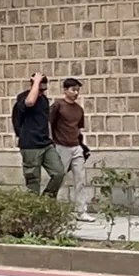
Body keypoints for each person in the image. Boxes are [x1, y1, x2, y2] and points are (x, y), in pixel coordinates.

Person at [11, 72, 65, 197]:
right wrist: (36, 81)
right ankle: (33, 206)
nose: (42, 92)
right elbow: (30, 102)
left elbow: (46, 121)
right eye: (40, 89)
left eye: (44, 90)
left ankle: (46, 200)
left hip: (45, 144)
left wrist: (51, 140)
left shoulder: (44, 99)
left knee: (59, 173)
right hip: (30, 145)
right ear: (32, 85)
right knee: (33, 182)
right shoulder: (23, 97)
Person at [51, 76, 91, 219]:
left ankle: (81, 211)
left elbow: (78, 128)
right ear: (65, 90)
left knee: (80, 178)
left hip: (76, 146)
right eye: (73, 90)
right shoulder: (57, 106)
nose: (76, 93)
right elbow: (50, 124)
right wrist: (51, 143)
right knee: (59, 178)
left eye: (78, 90)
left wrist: (82, 145)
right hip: (61, 146)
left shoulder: (79, 109)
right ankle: (53, 209)